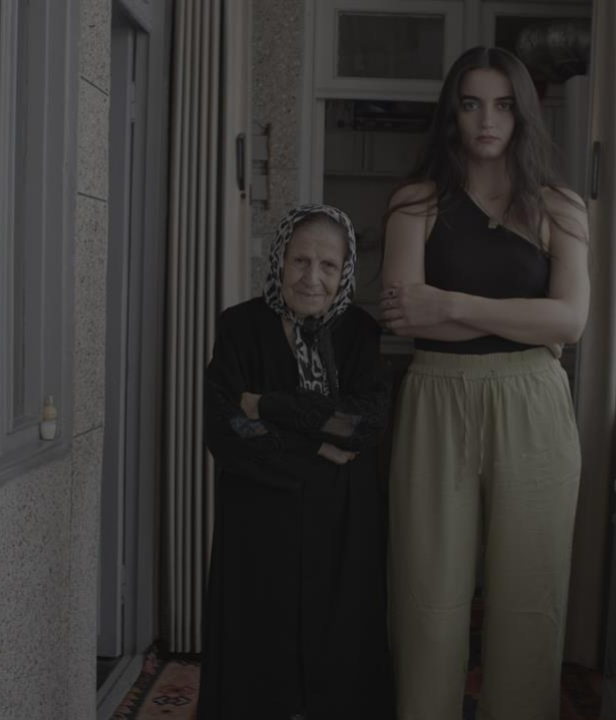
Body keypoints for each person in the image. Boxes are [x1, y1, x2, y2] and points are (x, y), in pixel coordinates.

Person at [379, 47, 591, 720]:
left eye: (502, 104)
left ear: (523, 113)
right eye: (471, 104)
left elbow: (570, 321)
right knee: (427, 599)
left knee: (529, 599)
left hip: (534, 406)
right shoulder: (415, 202)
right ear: (453, 113)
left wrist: (451, 304)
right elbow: (403, 314)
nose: (487, 120)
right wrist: (524, 319)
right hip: (435, 400)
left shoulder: (560, 207)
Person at [199, 204, 395, 720]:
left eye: (328, 265)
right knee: (258, 662)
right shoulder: (240, 326)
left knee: (339, 659)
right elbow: (226, 426)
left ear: (344, 271)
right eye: (300, 261)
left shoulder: (359, 332)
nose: (312, 278)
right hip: (258, 517)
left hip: (342, 521)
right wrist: (313, 446)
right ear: (279, 260)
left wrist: (270, 405)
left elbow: (362, 426)